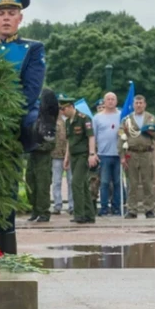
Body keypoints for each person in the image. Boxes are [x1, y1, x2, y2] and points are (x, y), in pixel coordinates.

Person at [0, 0, 57, 247]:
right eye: (1, 12)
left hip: (15, 121)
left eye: (11, 12)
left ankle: (42, 129)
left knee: (7, 188)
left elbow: (31, 89)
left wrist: (3, 113)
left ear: (20, 18)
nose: (6, 17)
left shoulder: (32, 48)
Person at [119, 96, 155, 218]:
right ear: (133, 105)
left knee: (147, 183)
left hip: (146, 153)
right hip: (131, 154)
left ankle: (149, 209)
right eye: (136, 103)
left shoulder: (151, 118)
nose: (138, 105)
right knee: (132, 183)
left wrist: (151, 132)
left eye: (141, 103)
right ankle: (132, 210)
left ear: (145, 104)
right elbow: (121, 138)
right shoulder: (126, 120)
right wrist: (122, 156)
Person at [60, 95, 97, 223]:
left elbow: (91, 137)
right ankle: (89, 214)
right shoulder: (67, 122)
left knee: (76, 183)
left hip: (83, 155)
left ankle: (79, 214)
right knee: (83, 185)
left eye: (64, 109)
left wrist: (92, 154)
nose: (62, 112)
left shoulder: (83, 118)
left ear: (71, 107)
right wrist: (66, 157)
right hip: (74, 156)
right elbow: (69, 141)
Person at [93, 93, 122, 215]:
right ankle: (104, 208)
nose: (110, 101)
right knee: (104, 182)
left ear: (116, 101)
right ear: (104, 102)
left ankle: (116, 207)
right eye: (108, 99)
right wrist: (93, 153)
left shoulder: (122, 115)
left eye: (113, 99)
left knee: (117, 182)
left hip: (119, 154)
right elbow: (93, 136)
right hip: (103, 154)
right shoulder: (97, 117)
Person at [50, 109, 73, 216]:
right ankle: (57, 205)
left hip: (70, 155)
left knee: (71, 181)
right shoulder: (52, 121)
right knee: (56, 182)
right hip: (56, 154)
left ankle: (72, 205)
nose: (60, 111)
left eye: (62, 109)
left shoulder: (71, 121)